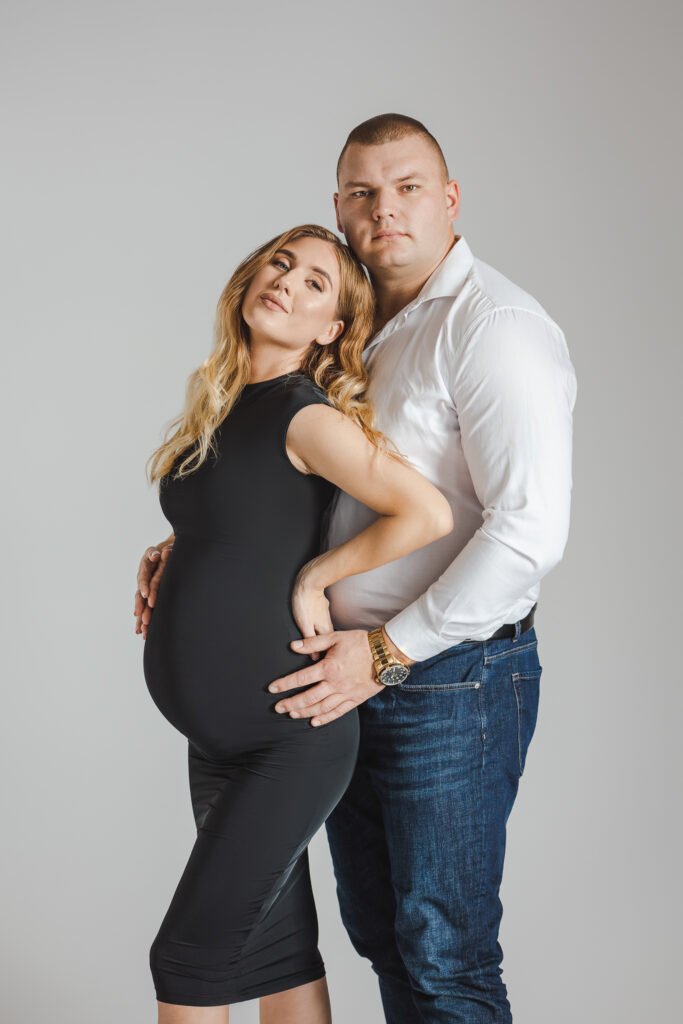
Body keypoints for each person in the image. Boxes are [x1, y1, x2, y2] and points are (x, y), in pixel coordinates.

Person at [137, 113, 578, 1023]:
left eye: (407, 187)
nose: (384, 209)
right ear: (338, 207)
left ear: (448, 198)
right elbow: (303, 492)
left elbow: (527, 531)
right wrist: (200, 546)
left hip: (445, 675)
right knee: (381, 935)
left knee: (443, 955)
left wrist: (381, 649)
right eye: (362, 192)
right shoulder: (362, 332)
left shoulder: (492, 327)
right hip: (343, 674)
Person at [138, 221, 454, 1022]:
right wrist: (174, 548)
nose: (286, 281)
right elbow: (241, 519)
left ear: (331, 330)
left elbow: (424, 512)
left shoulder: (302, 416)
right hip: (222, 741)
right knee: (274, 955)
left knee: (188, 957)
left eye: (314, 283)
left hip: (288, 738)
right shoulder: (225, 406)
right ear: (249, 279)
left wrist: (319, 574)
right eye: (280, 264)